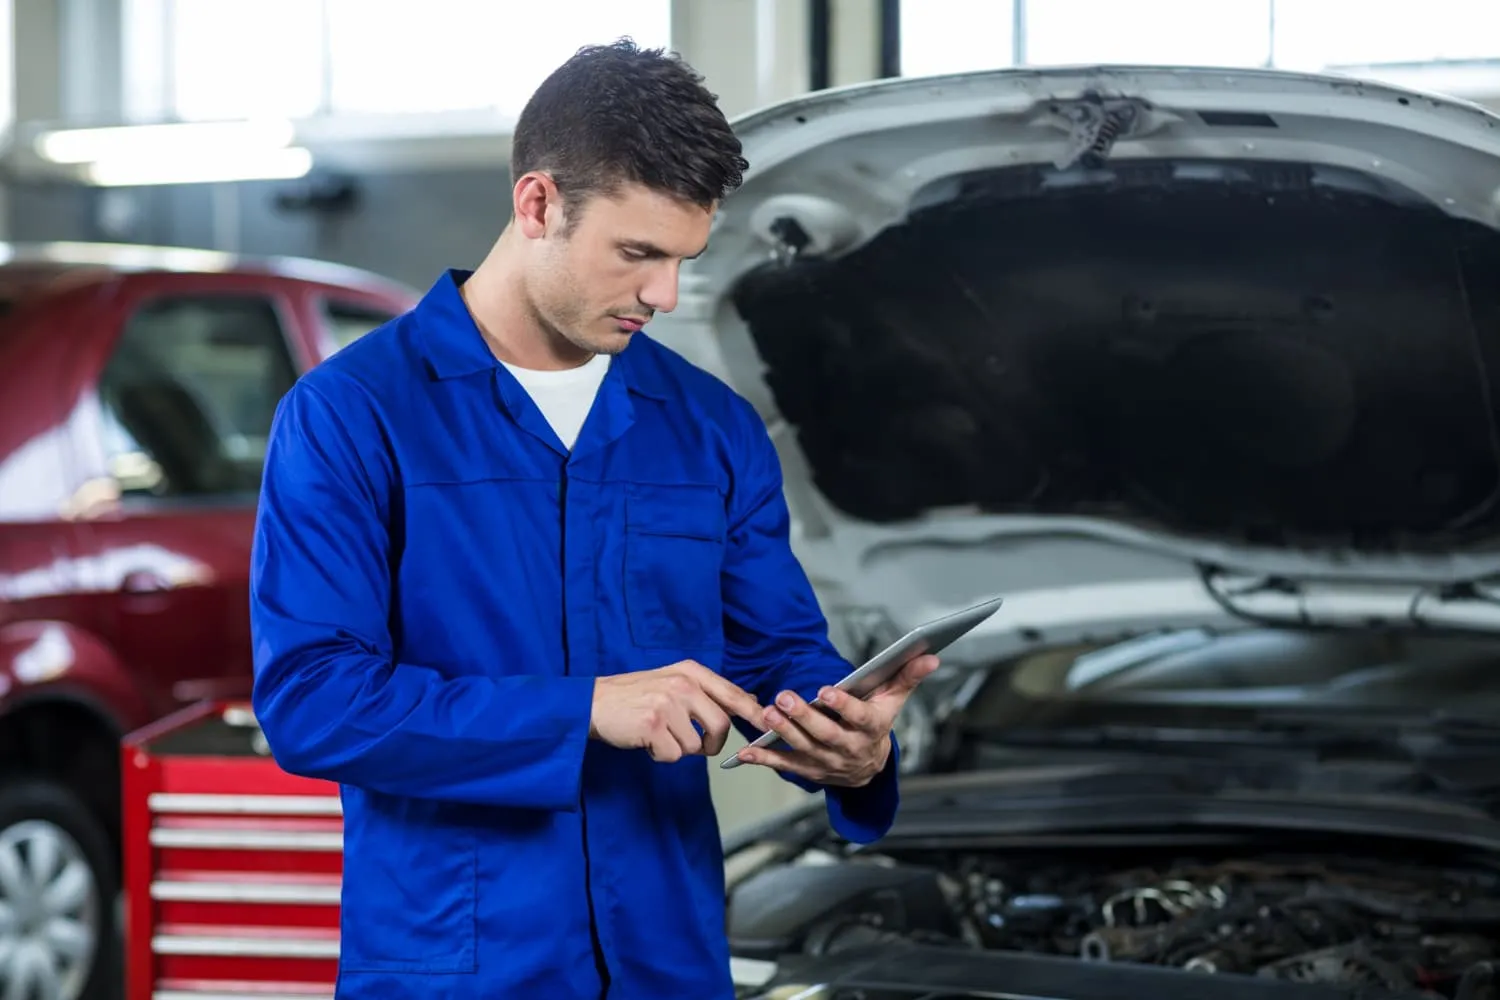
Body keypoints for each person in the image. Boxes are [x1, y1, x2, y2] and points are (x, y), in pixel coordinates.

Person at [248, 38, 939, 1000]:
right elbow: (313, 703)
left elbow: (779, 649)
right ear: (537, 205)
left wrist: (848, 741)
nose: (664, 294)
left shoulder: (710, 428)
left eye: (683, 259)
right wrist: (583, 710)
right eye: (638, 254)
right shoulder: (352, 416)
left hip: (668, 956)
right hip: (458, 963)